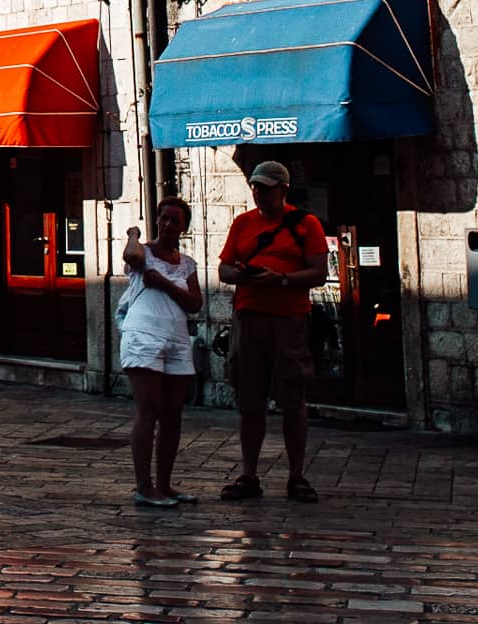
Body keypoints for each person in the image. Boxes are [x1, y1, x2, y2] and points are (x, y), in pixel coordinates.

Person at [218, 159, 330, 503]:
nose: (259, 195)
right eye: (255, 188)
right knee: (249, 401)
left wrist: (280, 280)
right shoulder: (242, 223)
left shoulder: (306, 224)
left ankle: (296, 476)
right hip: (249, 317)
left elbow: (318, 273)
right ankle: (249, 474)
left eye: (266, 189)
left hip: (289, 319)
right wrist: (239, 274)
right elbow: (222, 267)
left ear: (283, 190)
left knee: (293, 400)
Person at [118, 197, 204, 508]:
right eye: (163, 218)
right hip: (143, 336)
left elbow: (195, 303)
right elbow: (130, 254)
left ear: (184, 227)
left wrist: (165, 285)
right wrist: (133, 234)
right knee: (149, 408)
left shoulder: (187, 264)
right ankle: (144, 485)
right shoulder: (144, 254)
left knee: (173, 414)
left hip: (176, 338)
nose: (167, 224)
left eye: (174, 220)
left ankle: (165, 484)